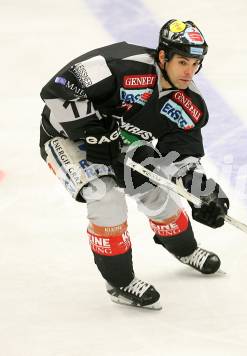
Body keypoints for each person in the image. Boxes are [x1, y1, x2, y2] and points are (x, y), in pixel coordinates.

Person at [39, 19, 229, 310]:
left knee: (155, 191)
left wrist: (201, 191)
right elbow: (59, 87)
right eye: (182, 62)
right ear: (163, 56)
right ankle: (119, 282)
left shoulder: (188, 102)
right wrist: (92, 130)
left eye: (195, 63)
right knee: (106, 198)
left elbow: (181, 155)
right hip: (66, 138)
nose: (189, 72)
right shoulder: (122, 64)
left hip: (120, 143)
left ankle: (185, 248)